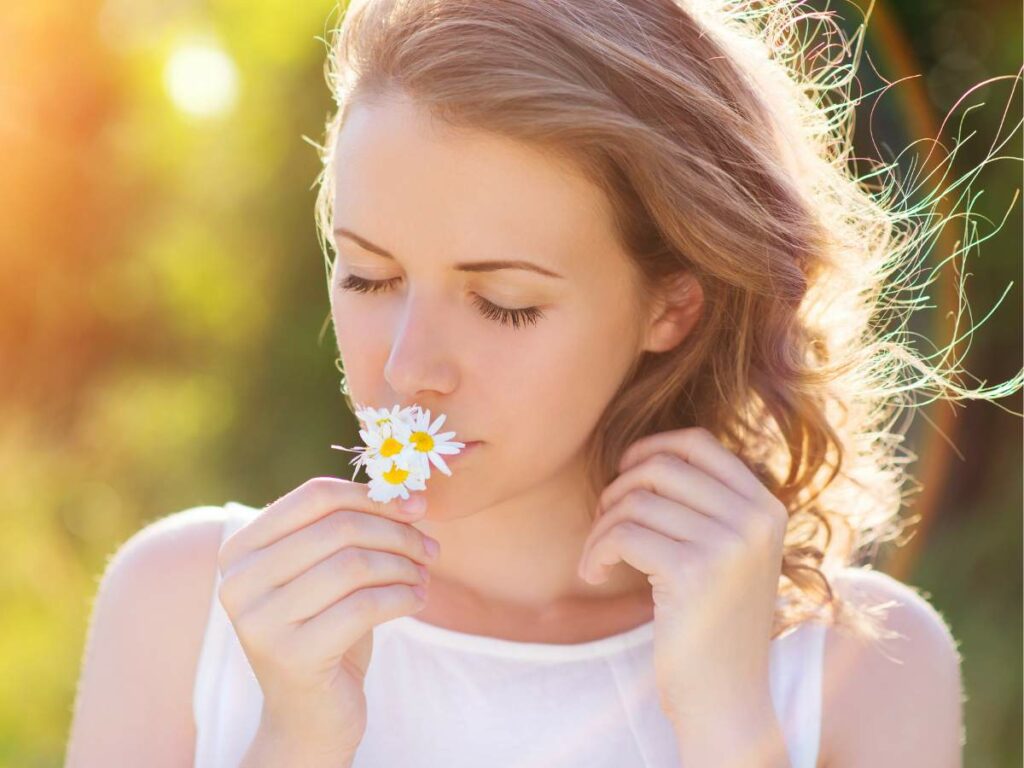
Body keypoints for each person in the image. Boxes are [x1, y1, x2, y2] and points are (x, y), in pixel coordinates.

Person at [71, 0, 1013, 765]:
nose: (407, 367)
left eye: (505, 303)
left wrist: (730, 730)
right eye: (367, 277)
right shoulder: (190, 605)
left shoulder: (859, 663)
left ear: (669, 308)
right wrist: (296, 740)